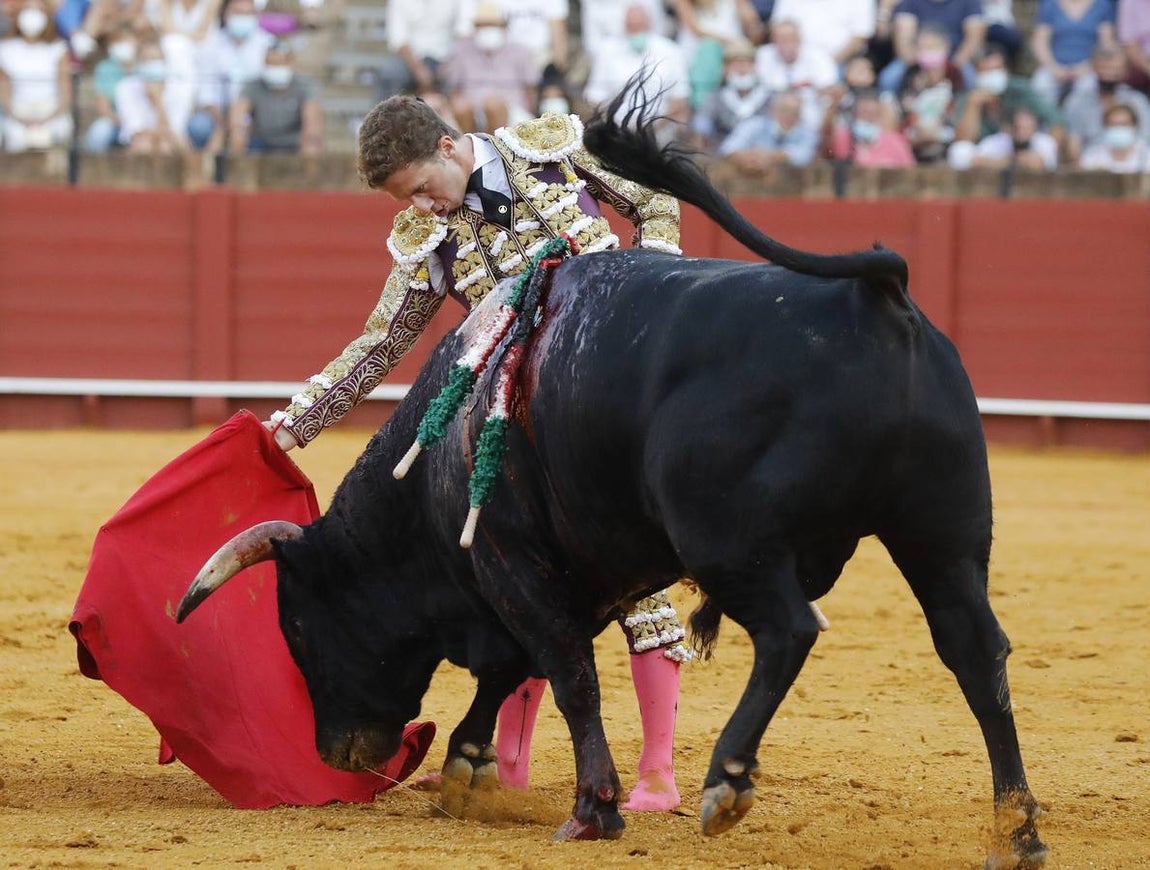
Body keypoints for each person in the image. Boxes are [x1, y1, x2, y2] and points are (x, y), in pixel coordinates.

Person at [264, 95, 690, 812]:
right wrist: (293, 425)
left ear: (451, 146)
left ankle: (658, 774)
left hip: (602, 405)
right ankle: (513, 769)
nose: (425, 208)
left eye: (425, 188)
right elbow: (380, 347)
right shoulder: (428, 240)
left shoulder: (546, 152)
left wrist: (652, 298)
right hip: (519, 434)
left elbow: (655, 202)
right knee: (521, 592)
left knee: (640, 586)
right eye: (408, 200)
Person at [583, 3, 690, 138]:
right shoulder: (608, 50)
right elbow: (594, 96)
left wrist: (653, 127)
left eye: (639, 26)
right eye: (631, 26)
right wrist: (612, 124)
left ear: (649, 24)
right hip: (617, 131)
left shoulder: (671, 51)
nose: (635, 31)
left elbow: (680, 99)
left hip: (659, 130)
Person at [186, 0, 272, 151]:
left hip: (254, 114)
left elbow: (267, 90)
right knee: (199, 126)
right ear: (225, 14)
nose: (243, 18)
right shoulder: (211, 44)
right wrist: (224, 123)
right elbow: (206, 95)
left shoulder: (267, 43)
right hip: (217, 114)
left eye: (248, 13)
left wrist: (240, 117)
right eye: (238, 13)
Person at [444, 1, 538, 133]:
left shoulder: (521, 51)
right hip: (472, 111)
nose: (487, 30)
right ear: (475, 28)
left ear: (504, 27)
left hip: (511, 110)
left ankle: (495, 149)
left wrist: (529, 112)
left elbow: (531, 90)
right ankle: (470, 147)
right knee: (461, 107)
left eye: (492, 26)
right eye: (483, 26)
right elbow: (455, 90)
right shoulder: (462, 50)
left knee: (493, 105)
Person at [952, 44, 1064, 151]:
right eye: (987, 70)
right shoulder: (968, 97)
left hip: (1023, 148)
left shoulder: (1020, 89)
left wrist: (1044, 154)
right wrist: (973, 105)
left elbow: (1055, 122)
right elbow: (963, 141)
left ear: (1006, 70)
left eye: (997, 69)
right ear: (977, 74)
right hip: (985, 155)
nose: (993, 75)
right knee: (961, 151)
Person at [0, 0, 73, 152]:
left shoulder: (58, 48)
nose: (32, 15)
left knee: (60, 130)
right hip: (18, 111)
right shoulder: (5, 48)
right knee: (15, 137)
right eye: (28, 9)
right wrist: (19, 118)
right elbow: (4, 90)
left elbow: (65, 91)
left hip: (51, 111)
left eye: (38, 10)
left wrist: (46, 119)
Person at [229, 39, 321, 153]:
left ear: (290, 63)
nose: (275, 68)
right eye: (271, 64)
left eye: (280, 64)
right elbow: (238, 114)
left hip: (293, 141)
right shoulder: (253, 85)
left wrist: (309, 137)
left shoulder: (305, 86)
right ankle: (240, 170)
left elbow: (311, 121)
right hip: (260, 140)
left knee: (312, 142)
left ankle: (307, 171)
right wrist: (239, 129)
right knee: (237, 136)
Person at [671, 0, 763, 109]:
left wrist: (750, 25)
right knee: (710, 49)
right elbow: (696, 30)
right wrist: (731, 42)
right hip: (698, 53)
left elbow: (752, 24)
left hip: (732, 53)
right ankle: (702, 107)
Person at [878, 0, 985, 93]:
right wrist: (918, 67)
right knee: (889, 79)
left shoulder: (970, 1)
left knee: (970, 80)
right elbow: (903, 41)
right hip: (917, 58)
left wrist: (951, 67)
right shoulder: (909, 2)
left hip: (955, 58)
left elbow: (974, 39)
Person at [894, 24, 966, 163]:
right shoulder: (911, 72)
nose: (928, 51)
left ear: (945, 48)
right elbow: (904, 104)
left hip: (944, 129)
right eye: (923, 47)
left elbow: (957, 106)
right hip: (916, 129)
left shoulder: (955, 73)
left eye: (932, 47)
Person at [753, 17, 839, 129]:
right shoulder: (763, 55)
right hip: (772, 114)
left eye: (791, 38)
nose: (787, 44)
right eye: (782, 39)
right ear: (773, 40)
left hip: (810, 113)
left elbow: (829, 91)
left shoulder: (818, 55)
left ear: (799, 39)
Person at [1029, 0, 1117, 108]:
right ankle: (1050, 123)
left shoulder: (1102, 5)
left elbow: (1105, 45)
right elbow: (1040, 42)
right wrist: (1054, 68)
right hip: (1055, 66)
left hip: (1089, 67)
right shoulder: (1050, 4)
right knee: (1040, 84)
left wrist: (1088, 67)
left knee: (1088, 87)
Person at [114, 33, 190, 152]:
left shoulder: (179, 88)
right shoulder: (126, 87)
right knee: (145, 145)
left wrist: (157, 100)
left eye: (154, 59)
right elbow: (136, 132)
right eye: (146, 60)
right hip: (142, 140)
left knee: (166, 147)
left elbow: (174, 132)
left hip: (170, 140)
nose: (150, 65)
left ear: (164, 62)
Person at [691, 38, 771, 151]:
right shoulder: (716, 96)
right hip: (723, 154)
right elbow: (703, 121)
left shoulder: (768, 96)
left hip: (761, 154)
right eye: (735, 64)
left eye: (746, 63)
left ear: (754, 67)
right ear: (725, 68)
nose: (741, 69)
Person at [375, 0, 462, 101]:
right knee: (390, 73)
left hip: (446, 58)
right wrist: (418, 69)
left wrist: (450, 63)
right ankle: (385, 114)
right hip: (409, 59)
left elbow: (463, 32)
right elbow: (398, 39)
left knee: (459, 76)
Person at [718, 88, 819, 169]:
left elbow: (804, 156)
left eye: (795, 112)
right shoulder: (754, 124)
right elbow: (728, 148)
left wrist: (771, 157)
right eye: (784, 110)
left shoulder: (807, 132)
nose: (789, 115)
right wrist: (747, 159)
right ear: (773, 110)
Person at [948, 104, 1060, 170]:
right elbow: (976, 161)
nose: (1022, 132)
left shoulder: (1045, 141)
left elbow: (1037, 164)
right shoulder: (997, 141)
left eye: (1027, 127)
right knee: (960, 149)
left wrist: (1001, 162)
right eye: (1018, 127)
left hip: (1038, 194)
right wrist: (1014, 161)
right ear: (1008, 128)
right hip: (993, 192)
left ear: (1035, 126)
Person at [768, 0, 875, 66]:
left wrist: (827, 65)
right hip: (793, 61)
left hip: (841, 62)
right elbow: (778, 28)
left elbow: (861, 37)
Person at [827, 87, 915, 167]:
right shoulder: (844, 138)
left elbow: (910, 171)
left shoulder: (895, 141)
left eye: (873, 114)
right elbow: (827, 145)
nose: (868, 118)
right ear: (854, 114)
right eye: (864, 113)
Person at [83, 20, 136, 152]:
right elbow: (103, 107)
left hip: (142, 123)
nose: (122, 45)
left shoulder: (145, 66)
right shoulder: (106, 68)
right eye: (117, 42)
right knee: (100, 131)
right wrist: (123, 123)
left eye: (125, 40)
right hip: (116, 123)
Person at [1077, 100, 1150, 170]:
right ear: (1105, 127)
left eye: (1124, 124)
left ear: (1134, 126)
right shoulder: (1092, 156)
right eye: (1114, 125)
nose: (1119, 129)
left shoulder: (1146, 156)